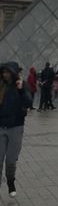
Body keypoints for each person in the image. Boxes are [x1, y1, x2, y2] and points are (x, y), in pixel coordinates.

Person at [0, 62, 31, 196]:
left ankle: (11, 181)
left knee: (11, 160)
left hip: (16, 127)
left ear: (13, 73)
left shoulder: (22, 85)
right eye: (3, 72)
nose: (4, 74)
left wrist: (21, 90)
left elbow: (29, 102)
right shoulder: (1, 86)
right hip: (1, 126)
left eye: (7, 72)